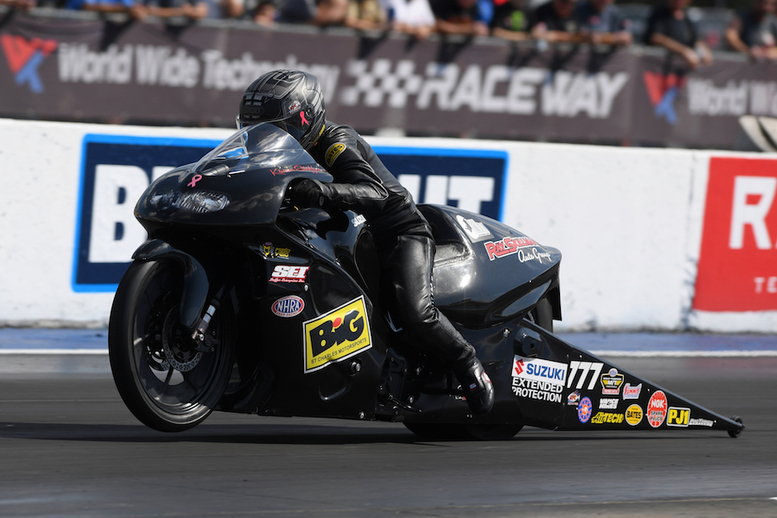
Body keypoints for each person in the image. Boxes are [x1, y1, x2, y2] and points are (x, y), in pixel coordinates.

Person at [237, 70, 495, 415]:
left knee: (415, 313)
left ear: (305, 118)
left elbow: (376, 193)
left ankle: (468, 364)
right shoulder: (270, 156)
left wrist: (321, 191)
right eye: (253, 129)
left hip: (396, 232)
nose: (264, 138)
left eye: (276, 128)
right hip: (346, 237)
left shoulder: (334, 142)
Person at [643, 0, 712, 69]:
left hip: (679, 71)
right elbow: (656, 38)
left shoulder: (687, 16)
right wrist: (684, 51)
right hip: (656, 68)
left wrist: (704, 50)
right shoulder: (659, 13)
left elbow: (695, 38)